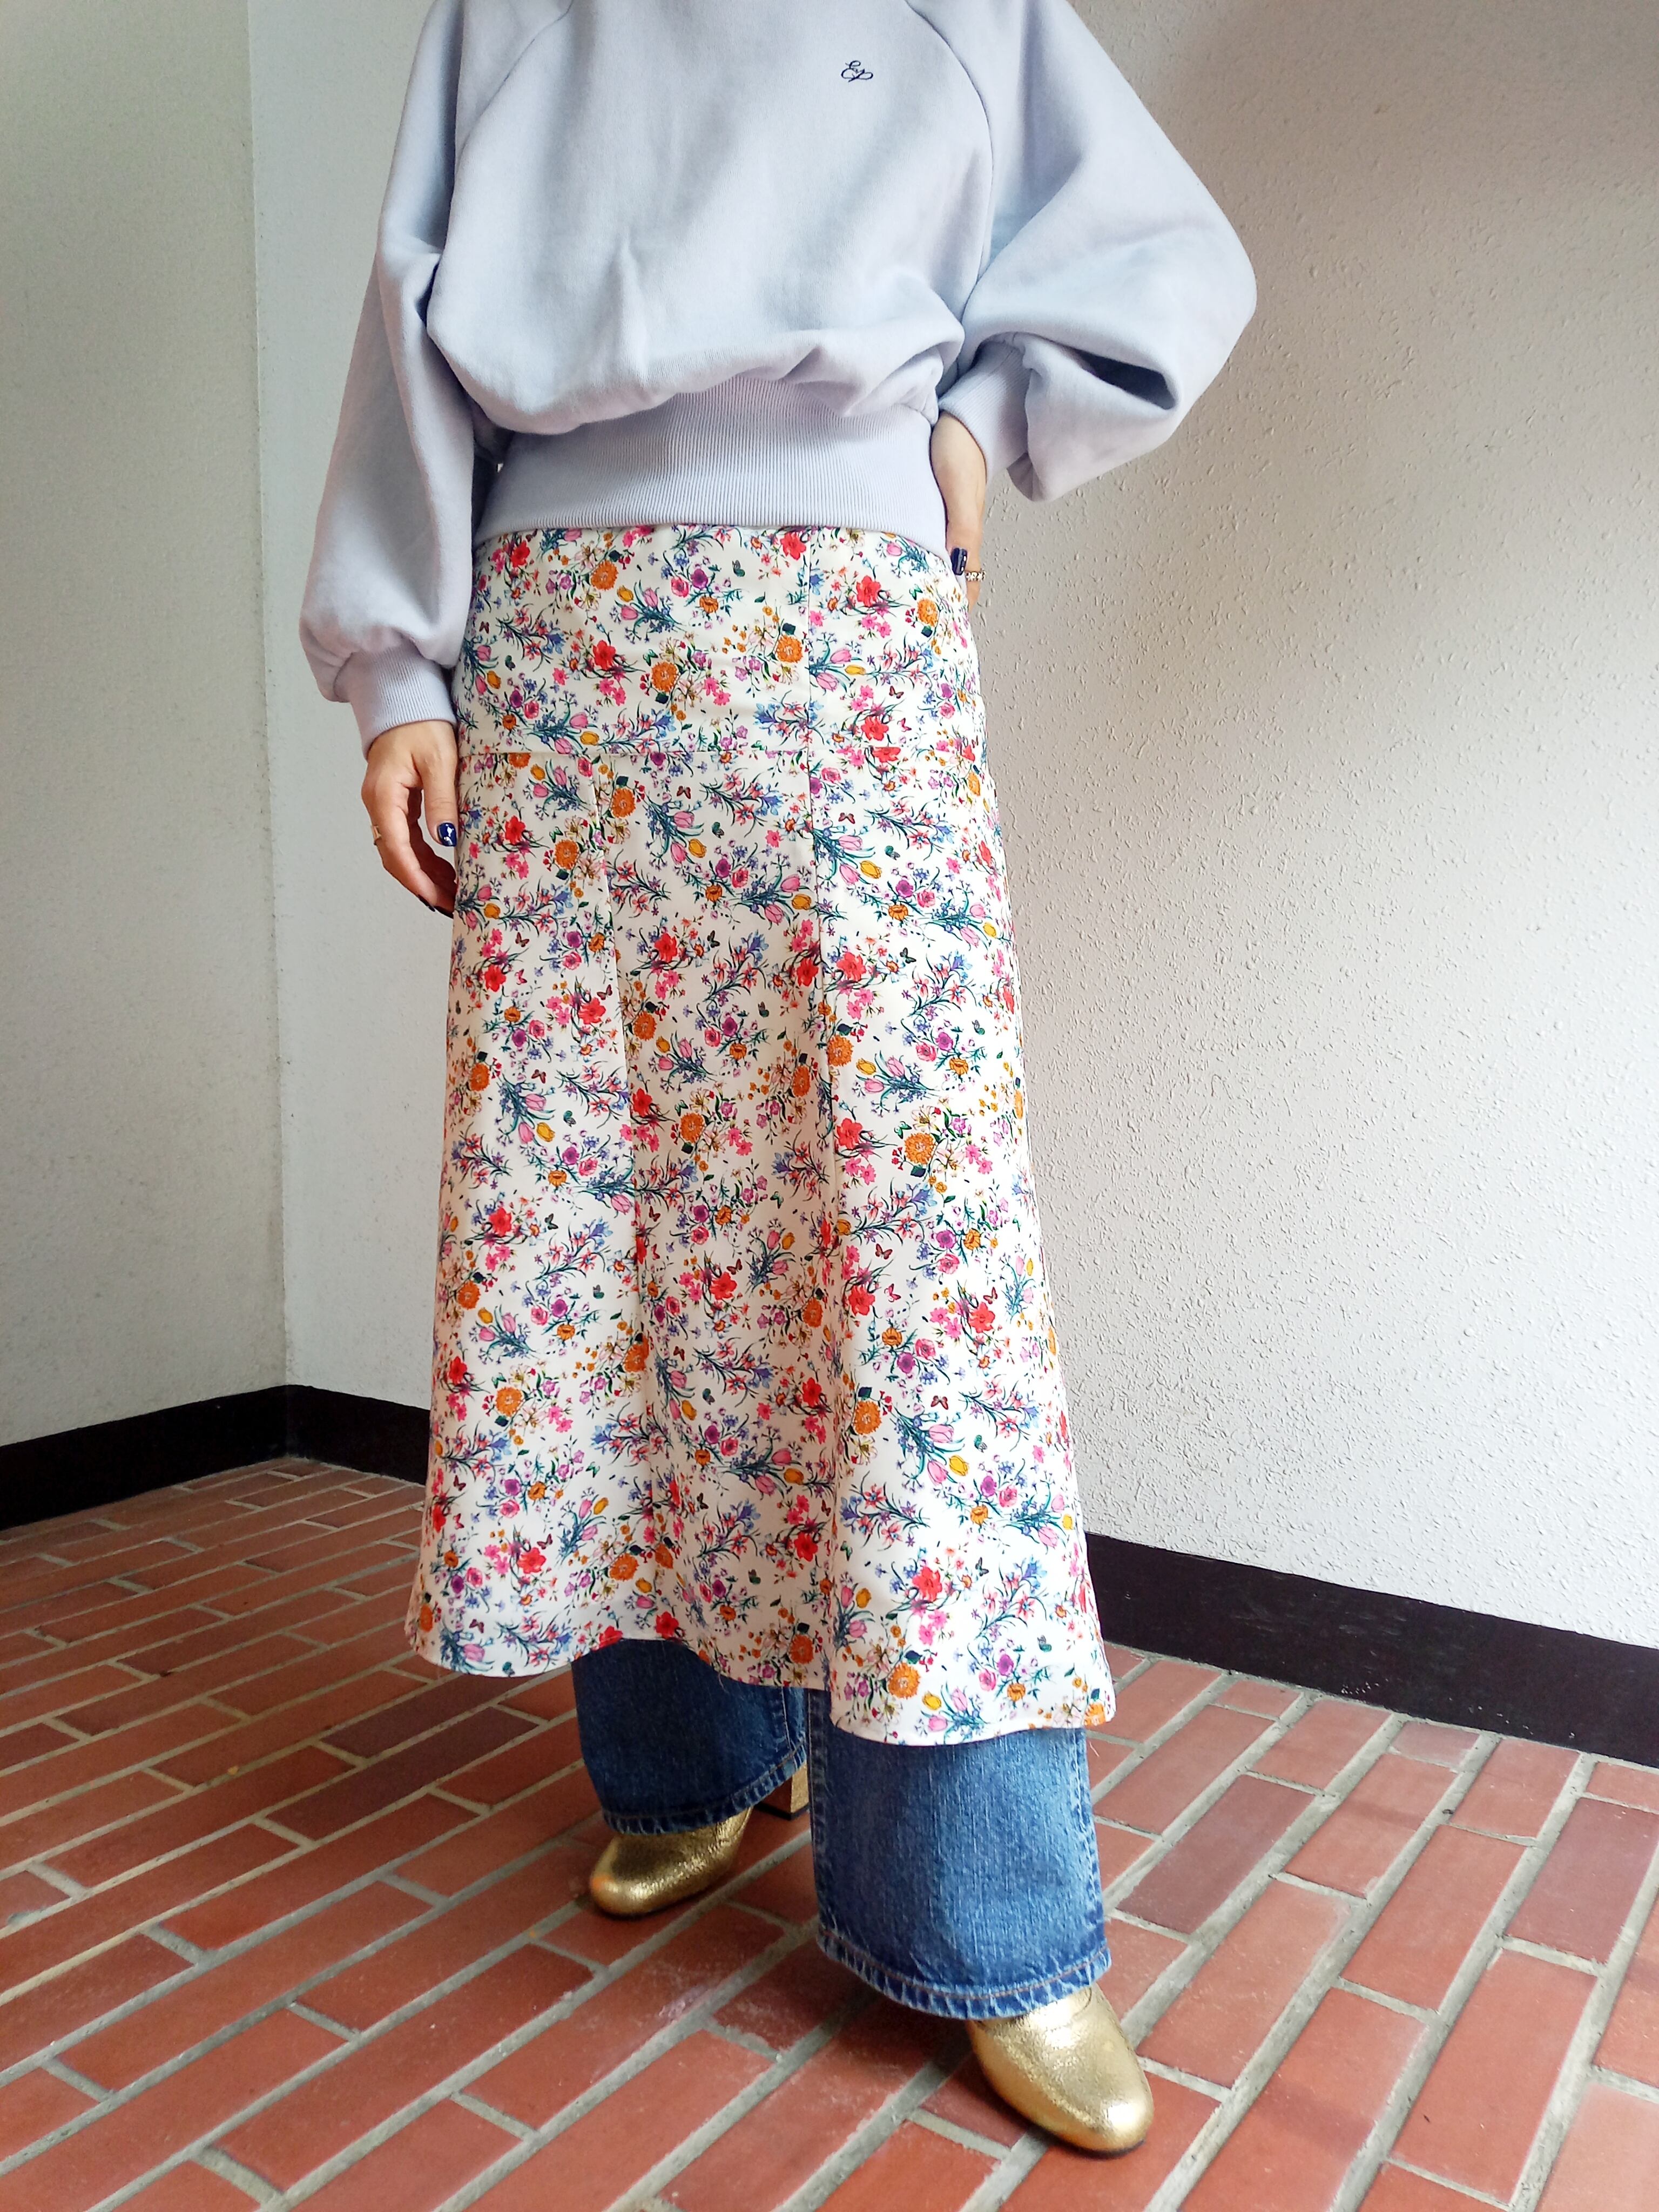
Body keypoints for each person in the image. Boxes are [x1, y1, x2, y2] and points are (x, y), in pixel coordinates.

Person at [301, 0, 1253, 2155]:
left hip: (848, 639)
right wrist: (398, 671)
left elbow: (1156, 251)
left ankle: (984, 1907)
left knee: (919, 1283)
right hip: (562, 662)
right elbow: (409, 322)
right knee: (613, 1242)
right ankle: (690, 1761)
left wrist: (986, 415)